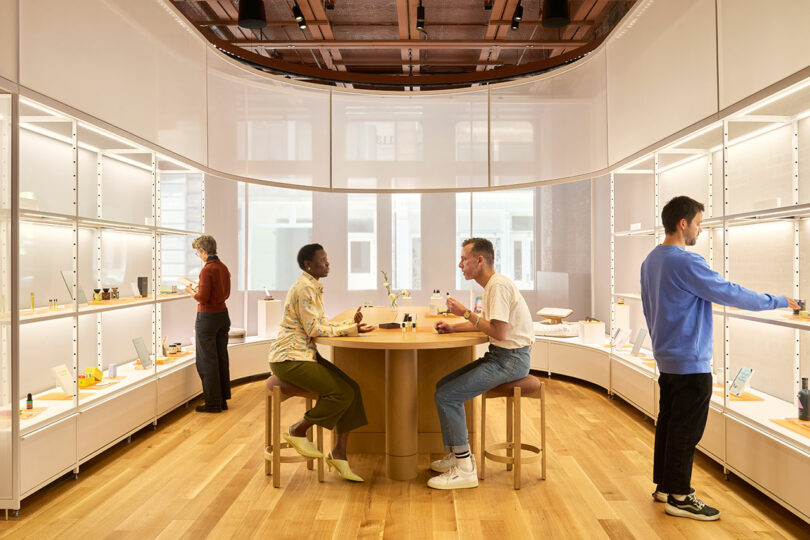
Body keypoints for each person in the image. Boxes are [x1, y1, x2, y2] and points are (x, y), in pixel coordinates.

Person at [640, 196, 797, 521]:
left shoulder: (650, 261)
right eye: (698, 223)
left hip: (666, 359)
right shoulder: (685, 261)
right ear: (683, 224)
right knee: (686, 430)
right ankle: (680, 497)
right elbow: (731, 293)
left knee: (669, 424)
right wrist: (779, 300)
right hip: (690, 363)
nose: (700, 229)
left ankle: (665, 487)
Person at [428, 237, 535, 490]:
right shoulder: (493, 285)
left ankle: (465, 468)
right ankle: (457, 455)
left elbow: (498, 333)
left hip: (511, 360)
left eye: (464, 259)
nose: (460, 264)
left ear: (480, 260)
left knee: (447, 395)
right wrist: (453, 327)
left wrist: (464, 313)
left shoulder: (497, 286)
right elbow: (489, 323)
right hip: (503, 356)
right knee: (443, 385)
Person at [268, 243, 376, 482]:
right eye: (323, 259)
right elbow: (314, 329)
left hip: (304, 354)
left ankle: (339, 453)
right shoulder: (305, 288)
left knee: (353, 390)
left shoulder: (312, 287)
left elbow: (320, 324)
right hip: (289, 358)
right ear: (309, 264)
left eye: (327, 259)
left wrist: (352, 327)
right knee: (341, 394)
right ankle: (297, 429)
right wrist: (348, 329)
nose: (328, 263)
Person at [186, 235, 232, 413]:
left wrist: (192, 291)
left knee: (207, 361)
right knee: (221, 358)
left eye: (198, 253)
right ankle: (222, 400)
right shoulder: (223, 267)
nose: (199, 256)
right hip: (223, 316)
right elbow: (225, 294)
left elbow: (203, 298)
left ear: (203, 251)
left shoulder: (207, 270)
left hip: (207, 318)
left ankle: (212, 403)